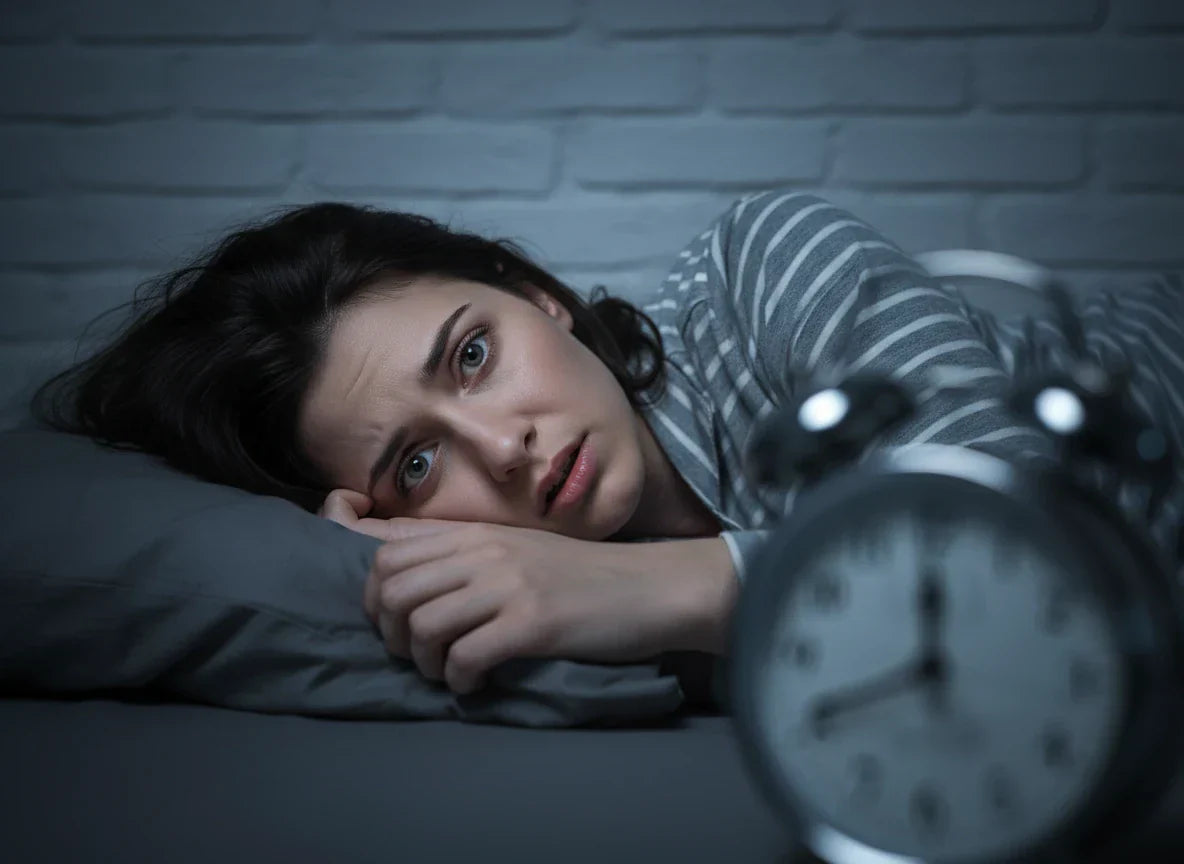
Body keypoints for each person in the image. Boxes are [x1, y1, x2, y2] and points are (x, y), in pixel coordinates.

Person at [30, 188, 1184, 698]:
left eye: (470, 355)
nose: (506, 449)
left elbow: (1048, 552)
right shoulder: (521, 605)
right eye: (417, 465)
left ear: (538, 296)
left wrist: (675, 587)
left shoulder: (764, 263)